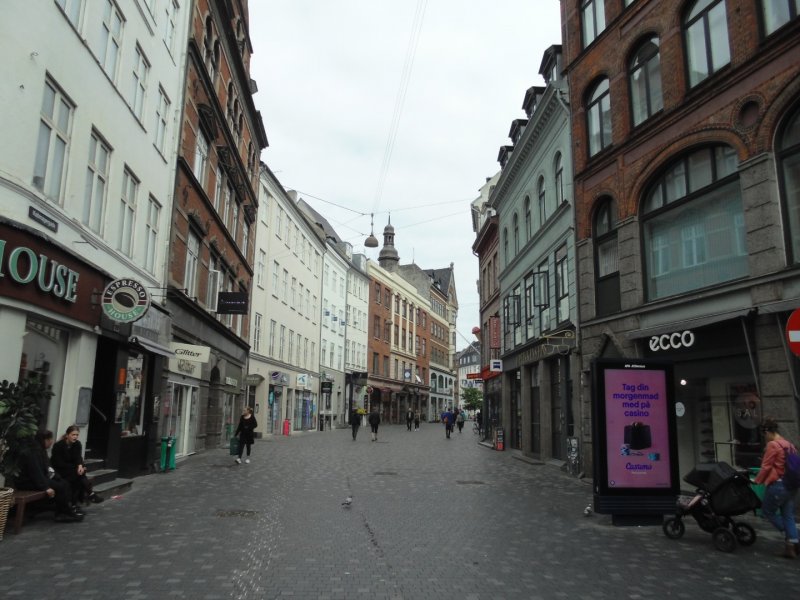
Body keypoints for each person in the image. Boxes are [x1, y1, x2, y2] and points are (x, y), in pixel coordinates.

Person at [754, 417, 799, 558]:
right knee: (788, 515)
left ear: (767, 432)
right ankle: (791, 547)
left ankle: (791, 535)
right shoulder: (789, 444)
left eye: (764, 435)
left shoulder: (773, 445)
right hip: (792, 485)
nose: (764, 438)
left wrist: (757, 481)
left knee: (768, 511)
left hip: (778, 485)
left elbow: (766, 466)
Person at [15, 430, 83, 523]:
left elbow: (48, 467)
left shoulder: (41, 450)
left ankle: (65, 511)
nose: (51, 442)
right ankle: (63, 513)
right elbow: (35, 472)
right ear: (45, 440)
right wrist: (45, 487)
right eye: (50, 439)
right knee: (60, 487)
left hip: (38, 479)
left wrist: (57, 477)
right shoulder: (34, 452)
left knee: (64, 483)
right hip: (28, 482)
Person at [50, 425, 104, 505]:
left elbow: (78, 458)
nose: (75, 437)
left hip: (72, 471)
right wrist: (76, 468)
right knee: (79, 475)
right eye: (73, 435)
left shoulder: (77, 444)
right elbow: (59, 463)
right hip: (60, 471)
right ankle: (90, 495)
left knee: (79, 475)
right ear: (67, 435)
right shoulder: (58, 446)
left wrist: (80, 466)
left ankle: (75, 504)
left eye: (77, 435)